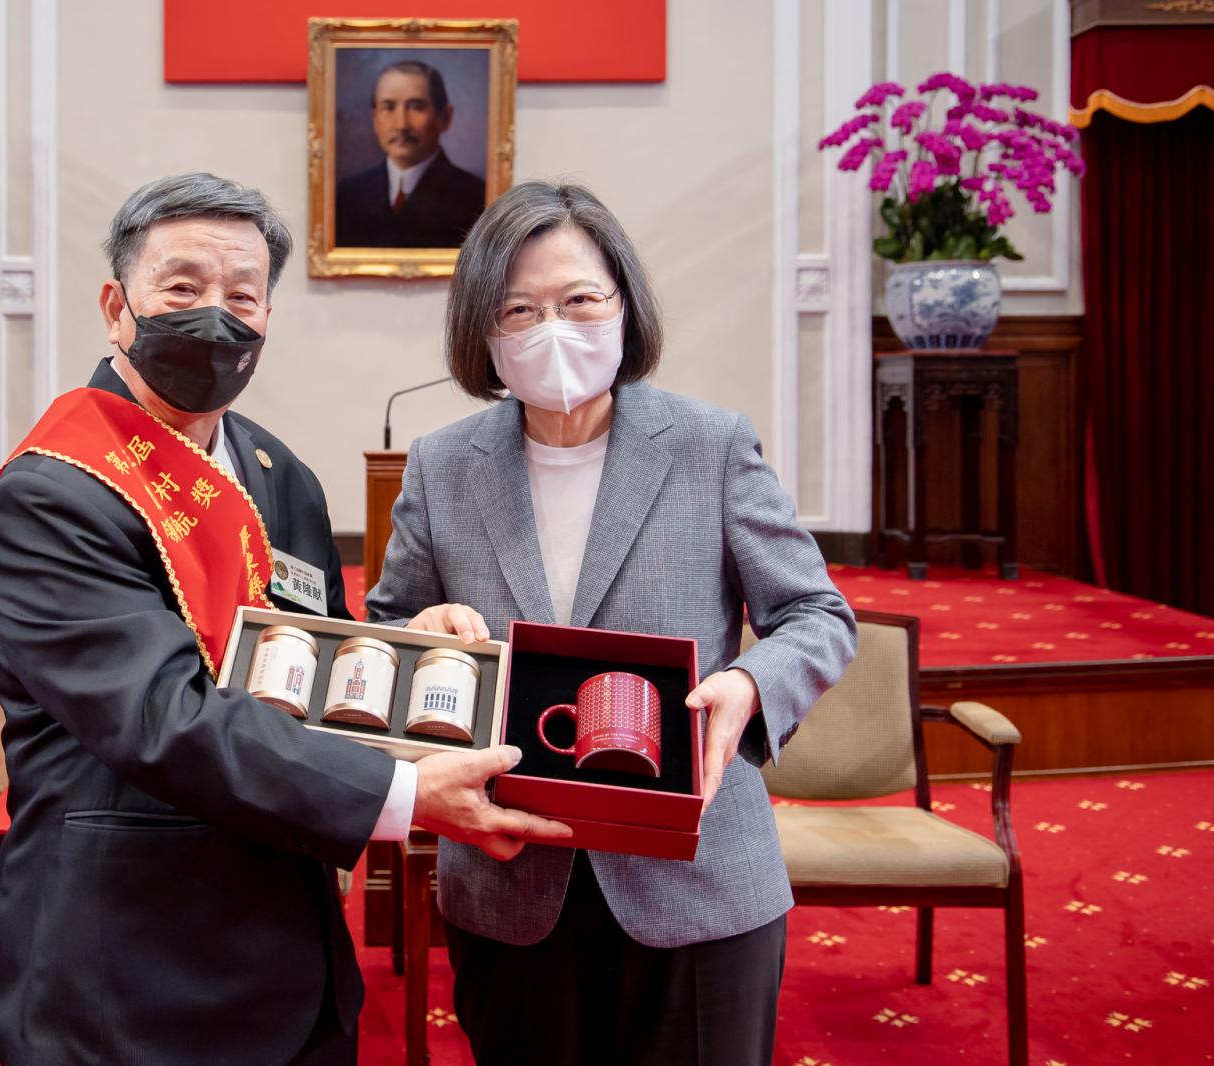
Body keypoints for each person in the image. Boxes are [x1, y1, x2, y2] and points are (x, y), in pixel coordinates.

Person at [0, 172, 569, 1065]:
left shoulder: (275, 473)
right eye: (181, 288)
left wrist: (409, 654)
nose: (213, 315)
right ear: (116, 305)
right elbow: (159, 717)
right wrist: (405, 796)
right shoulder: (56, 490)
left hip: (287, 938)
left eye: (241, 296)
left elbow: (314, 664)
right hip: (127, 955)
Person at [365, 181, 857, 1066]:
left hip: (698, 880)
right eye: (520, 309)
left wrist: (750, 683)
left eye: (580, 300)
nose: (552, 328)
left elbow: (816, 614)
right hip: (512, 878)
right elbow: (391, 623)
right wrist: (423, 634)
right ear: (484, 331)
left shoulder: (710, 445)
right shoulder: (443, 467)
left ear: (624, 306)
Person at [334, 59, 486, 248]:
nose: (401, 125)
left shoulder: (477, 198)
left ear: (445, 117)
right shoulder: (347, 195)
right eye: (388, 107)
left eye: (416, 107)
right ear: (375, 119)